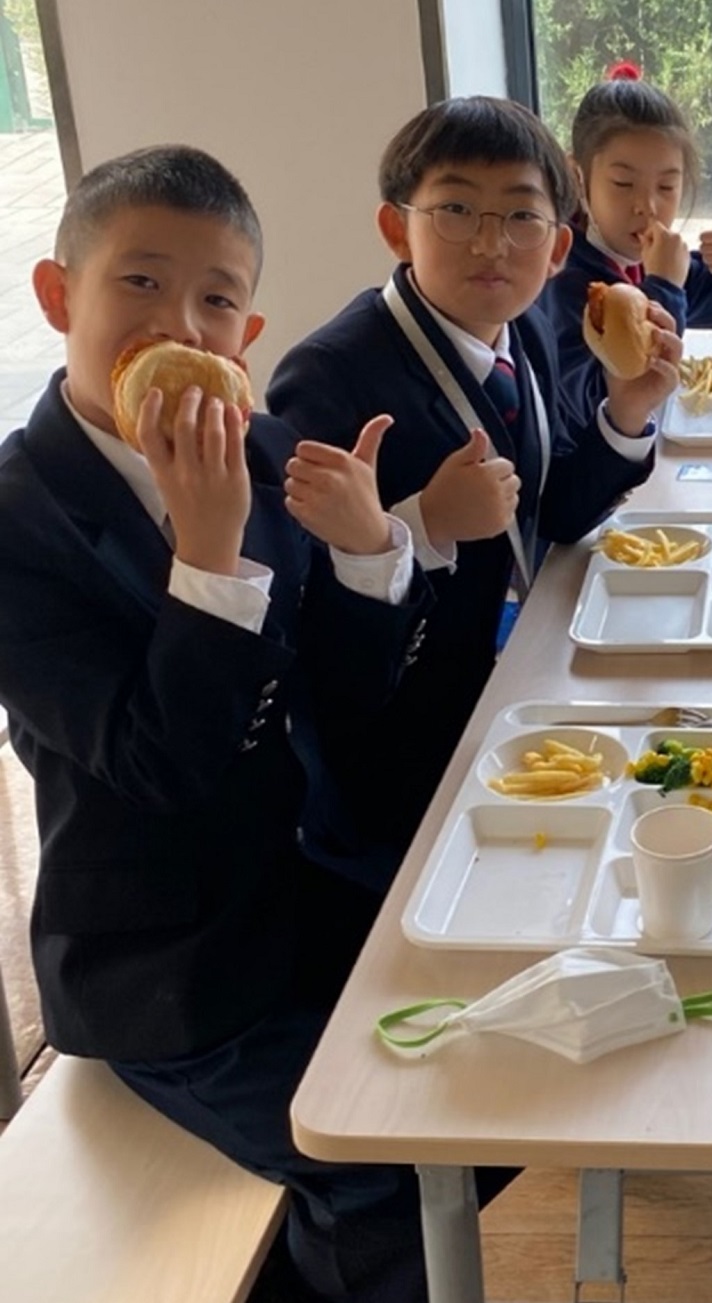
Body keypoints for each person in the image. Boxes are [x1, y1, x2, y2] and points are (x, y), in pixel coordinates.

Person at [0, 144, 444, 1301]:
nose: (178, 325)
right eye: (139, 284)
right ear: (61, 297)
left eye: (216, 299)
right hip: (162, 968)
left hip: (304, 897)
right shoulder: (16, 524)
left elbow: (338, 701)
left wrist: (367, 559)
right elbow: (158, 764)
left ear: (248, 336)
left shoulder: (253, 446)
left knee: (488, 1100)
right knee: (381, 1167)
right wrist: (206, 559)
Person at [266, 96, 678, 891]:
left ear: (558, 246)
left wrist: (627, 411)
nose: (491, 243)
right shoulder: (326, 377)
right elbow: (303, 624)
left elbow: (552, 512)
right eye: (456, 209)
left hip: (507, 696)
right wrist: (420, 527)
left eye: (521, 217)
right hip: (396, 767)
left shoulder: (520, 329)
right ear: (397, 229)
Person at [538, 62, 712, 417]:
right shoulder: (563, 281)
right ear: (578, 177)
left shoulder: (646, 261)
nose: (648, 206)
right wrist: (665, 287)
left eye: (667, 186)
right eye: (623, 184)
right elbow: (591, 403)